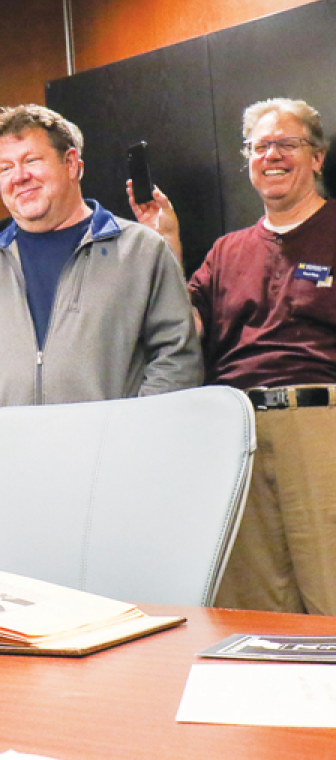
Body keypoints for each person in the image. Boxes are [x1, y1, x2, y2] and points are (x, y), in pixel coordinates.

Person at [132, 99, 336, 615]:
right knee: (256, 608)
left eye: (287, 143)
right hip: (235, 433)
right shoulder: (226, 251)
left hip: (321, 426)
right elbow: (186, 329)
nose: (272, 155)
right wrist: (167, 246)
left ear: (317, 157)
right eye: (260, 146)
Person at [0, 104, 202, 480]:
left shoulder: (141, 250)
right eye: (6, 168)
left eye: (32, 161)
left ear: (72, 163)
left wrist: (134, 445)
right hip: (10, 479)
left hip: (112, 476)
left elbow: (176, 357)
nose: (19, 177)